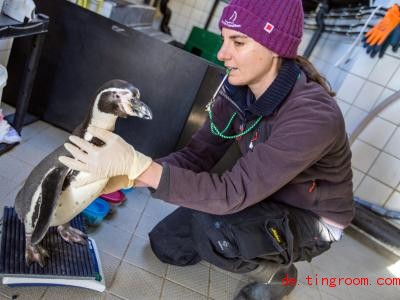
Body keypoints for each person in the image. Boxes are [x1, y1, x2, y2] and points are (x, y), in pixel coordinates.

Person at [59, 0, 354, 299]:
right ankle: (237, 238)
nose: (222, 53)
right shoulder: (237, 89)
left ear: (274, 47)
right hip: (260, 191)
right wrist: (129, 176)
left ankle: (277, 274)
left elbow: (230, 193)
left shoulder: (312, 116)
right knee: (167, 246)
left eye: (238, 42)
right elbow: (196, 156)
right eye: (224, 38)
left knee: (213, 225)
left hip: (308, 214)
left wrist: (139, 166)